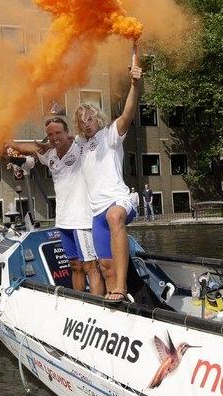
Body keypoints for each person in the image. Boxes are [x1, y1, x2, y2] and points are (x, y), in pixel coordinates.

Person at [4, 117, 105, 297]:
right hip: (63, 221)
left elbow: (90, 135)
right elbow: (34, 149)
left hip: (82, 220)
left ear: (67, 133)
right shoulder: (50, 155)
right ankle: (79, 302)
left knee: (91, 266)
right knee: (74, 265)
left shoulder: (81, 148)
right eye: (50, 134)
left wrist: (64, 140)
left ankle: (97, 306)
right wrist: (12, 144)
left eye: (58, 133)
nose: (54, 137)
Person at [74, 42, 142, 301]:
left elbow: (127, 113)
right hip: (96, 213)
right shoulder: (81, 145)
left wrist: (135, 85)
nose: (86, 124)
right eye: (81, 121)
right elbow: (53, 143)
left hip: (119, 202)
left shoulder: (110, 135)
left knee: (115, 216)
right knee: (105, 267)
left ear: (98, 119)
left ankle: (121, 288)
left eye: (89, 119)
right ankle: (118, 303)